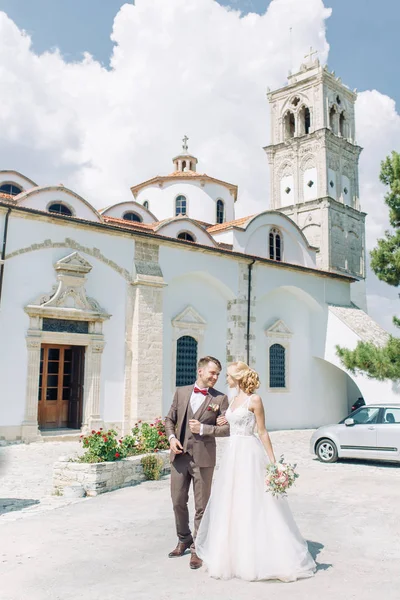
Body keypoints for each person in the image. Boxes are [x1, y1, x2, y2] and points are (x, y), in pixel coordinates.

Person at [196, 361, 316, 582]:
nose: (226, 379)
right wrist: (224, 418)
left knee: (254, 500)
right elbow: (229, 424)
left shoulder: (255, 400)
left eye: (229, 376)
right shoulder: (232, 401)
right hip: (232, 453)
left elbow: (262, 431)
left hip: (249, 453)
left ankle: (259, 556)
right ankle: (231, 555)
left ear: (237, 377)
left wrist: (273, 463)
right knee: (231, 501)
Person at [165, 356, 229, 569]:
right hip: (180, 457)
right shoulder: (181, 392)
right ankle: (184, 538)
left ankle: (198, 549)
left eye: (218, 374)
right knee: (177, 501)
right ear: (200, 371)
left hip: (204, 458)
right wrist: (172, 438)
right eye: (212, 373)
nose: (215, 377)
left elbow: (228, 429)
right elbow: (169, 420)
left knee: (202, 506)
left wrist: (205, 428)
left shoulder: (220, 399)